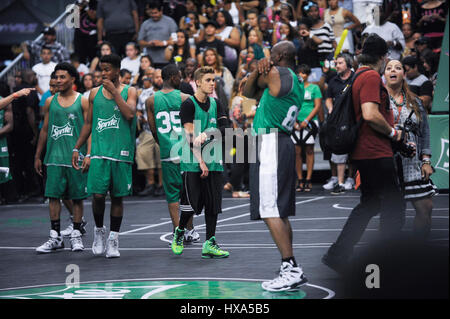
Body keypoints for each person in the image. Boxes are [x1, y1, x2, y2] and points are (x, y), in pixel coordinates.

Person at [322, 34, 405, 274]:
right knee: (393, 207)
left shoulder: (358, 75)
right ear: (383, 57)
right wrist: (393, 132)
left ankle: (338, 254)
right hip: (374, 152)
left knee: (369, 205)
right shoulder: (369, 77)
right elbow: (369, 114)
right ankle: (388, 259)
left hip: (365, 151)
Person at [243, 41, 308, 292]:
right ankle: (288, 267)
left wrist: (257, 69)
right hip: (283, 142)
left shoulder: (276, 73)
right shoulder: (296, 81)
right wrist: (258, 70)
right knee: (279, 211)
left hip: (270, 143)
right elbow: (251, 92)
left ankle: (290, 267)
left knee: (269, 209)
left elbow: (247, 91)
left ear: (279, 56)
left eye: (272, 54)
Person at [72, 54, 137, 258]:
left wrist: (114, 92)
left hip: (121, 152)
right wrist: (77, 148)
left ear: (118, 70)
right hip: (99, 152)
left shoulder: (130, 90)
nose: (103, 73)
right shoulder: (93, 93)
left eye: (107, 69)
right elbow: (89, 124)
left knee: (117, 197)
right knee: (98, 195)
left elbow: (130, 114)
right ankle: (99, 231)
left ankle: (113, 239)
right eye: (102, 69)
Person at [171, 66, 230, 259]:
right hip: (192, 161)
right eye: (208, 80)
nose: (212, 83)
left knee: (213, 204)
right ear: (197, 82)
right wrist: (201, 162)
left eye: (213, 80)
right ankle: (180, 231)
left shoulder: (216, 103)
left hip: (213, 159)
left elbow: (225, 127)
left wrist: (209, 133)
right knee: (191, 204)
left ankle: (210, 243)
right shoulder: (189, 105)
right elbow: (189, 137)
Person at [34, 62, 90, 253]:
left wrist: (88, 155)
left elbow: (88, 130)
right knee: (53, 197)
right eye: (56, 77)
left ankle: (75, 234)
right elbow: (44, 130)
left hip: (76, 157)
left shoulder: (82, 100)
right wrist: (38, 155)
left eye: (62, 77)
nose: (58, 80)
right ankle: (55, 236)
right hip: (54, 157)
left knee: (77, 197)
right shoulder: (50, 101)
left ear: (73, 79)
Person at [146, 64, 199, 242]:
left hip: (168, 150)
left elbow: (153, 130)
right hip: (185, 150)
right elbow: (193, 127)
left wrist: (164, 142)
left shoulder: (151, 100)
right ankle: (189, 230)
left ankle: (179, 232)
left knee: (172, 195)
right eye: (179, 76)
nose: (181, 79)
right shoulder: (186, 98)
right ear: (173, 77)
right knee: (188, 193)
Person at [384, 59, 436, 241]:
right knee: (392, 215)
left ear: (403, 74)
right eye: (389, 68)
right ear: (384, 75)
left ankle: (418, 248)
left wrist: (426, 160)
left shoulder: (414, 100)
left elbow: (425, 132)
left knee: (426, 208)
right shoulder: (378, 100)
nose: (393, 70)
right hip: (389, 162)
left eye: (398, 68)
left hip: (413, 163)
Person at [324, 53, 356, 193]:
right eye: (336, 63)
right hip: (337, 120)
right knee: (336, 148)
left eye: (340, 63)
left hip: (353, 119)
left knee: (353, 152)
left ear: (348, 64)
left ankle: (350, 179)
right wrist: (331, 108)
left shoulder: (356, 78)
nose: (337, 65)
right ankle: (337, 179)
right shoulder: (333, 80)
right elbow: (328, 98)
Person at [293, 64, 322, 193]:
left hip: (310, 122)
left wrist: (306, 120)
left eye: (303, 73)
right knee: (297, 151)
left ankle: (309, 179)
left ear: (308, 75)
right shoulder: (293, 89)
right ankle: (300, 179)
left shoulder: (314, 88)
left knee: (309, 149)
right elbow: (290, 105)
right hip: (295, 122)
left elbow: (317, 106)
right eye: (299, 73)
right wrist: (293, 121)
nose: (301, 75)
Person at [135, 72, 164, 197]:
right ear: (152, 79)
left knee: (161, 156)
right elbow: (138, 110)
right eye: (156, 77)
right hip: (147, 131)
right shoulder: (145, 94)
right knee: (143, 153)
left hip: (163, 131)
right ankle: (150, 184)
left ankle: (162, 185)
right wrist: (140, 117)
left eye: (161, 77)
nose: (159, 79)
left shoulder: (169, 93)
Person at [138, 0, 178, 69]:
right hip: (150, 61)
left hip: (166, 60)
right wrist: (149, 43)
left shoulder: (170, 22)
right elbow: (140, 41)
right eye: (151, 13)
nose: (153, 15)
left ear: (161, 11)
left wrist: (162, 43)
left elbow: (175, 40)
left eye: (155, 13)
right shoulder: (145, 24)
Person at [214, 10, 241, 74]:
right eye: (217, 17)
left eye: (222, 16)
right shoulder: (213, 29)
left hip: (230, 61)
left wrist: (222, 38)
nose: (219, 19)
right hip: (215, 60)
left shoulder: (231, 29)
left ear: (226, 17)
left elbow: (236, 42)